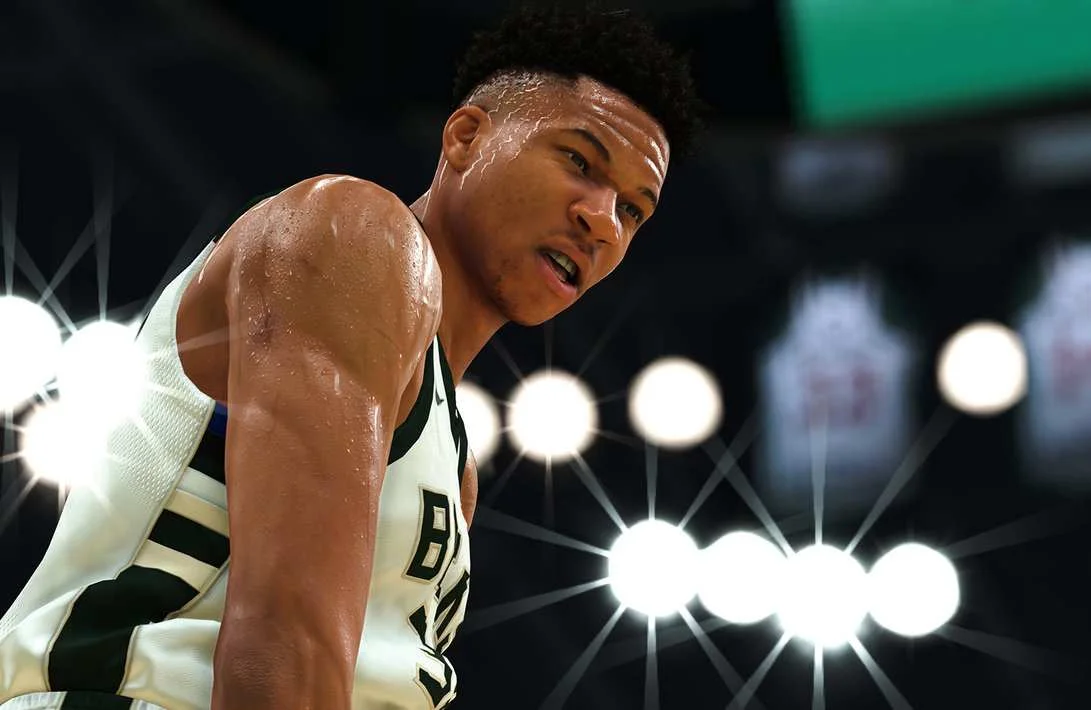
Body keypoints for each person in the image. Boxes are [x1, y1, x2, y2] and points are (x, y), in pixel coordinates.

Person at [0, 4, 701, 709]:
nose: (601, 221)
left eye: (633, 210)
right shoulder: (352, 236)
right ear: (466, 137)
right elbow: (286, 639)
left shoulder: (454, 464)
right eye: (579, 161)